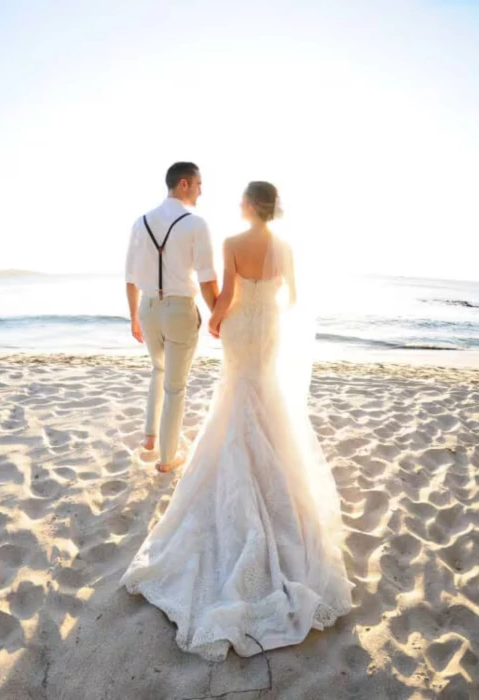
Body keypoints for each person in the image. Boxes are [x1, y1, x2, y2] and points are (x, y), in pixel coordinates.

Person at [120, 182, 353, 661]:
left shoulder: (230, 243)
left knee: (234, 395)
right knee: (264, 395)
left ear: (248, 205)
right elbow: (292, 298)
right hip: (267, 329)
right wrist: (264, 308)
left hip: (241, 327)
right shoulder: (286, 247)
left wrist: (217, 320)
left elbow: (224, 296)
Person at [125, 162, 219, 472]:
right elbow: (207, 279)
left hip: (148, 308)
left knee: (158, 369)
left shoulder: (141, 223)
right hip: (179, 308)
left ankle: (150, 437)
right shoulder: (196, 224)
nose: (201, 190)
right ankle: (167, 460)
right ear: (183, 184)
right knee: (175, 388)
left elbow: (130, 276)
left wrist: (134, 317)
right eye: (198, 184)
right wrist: (218, 314)